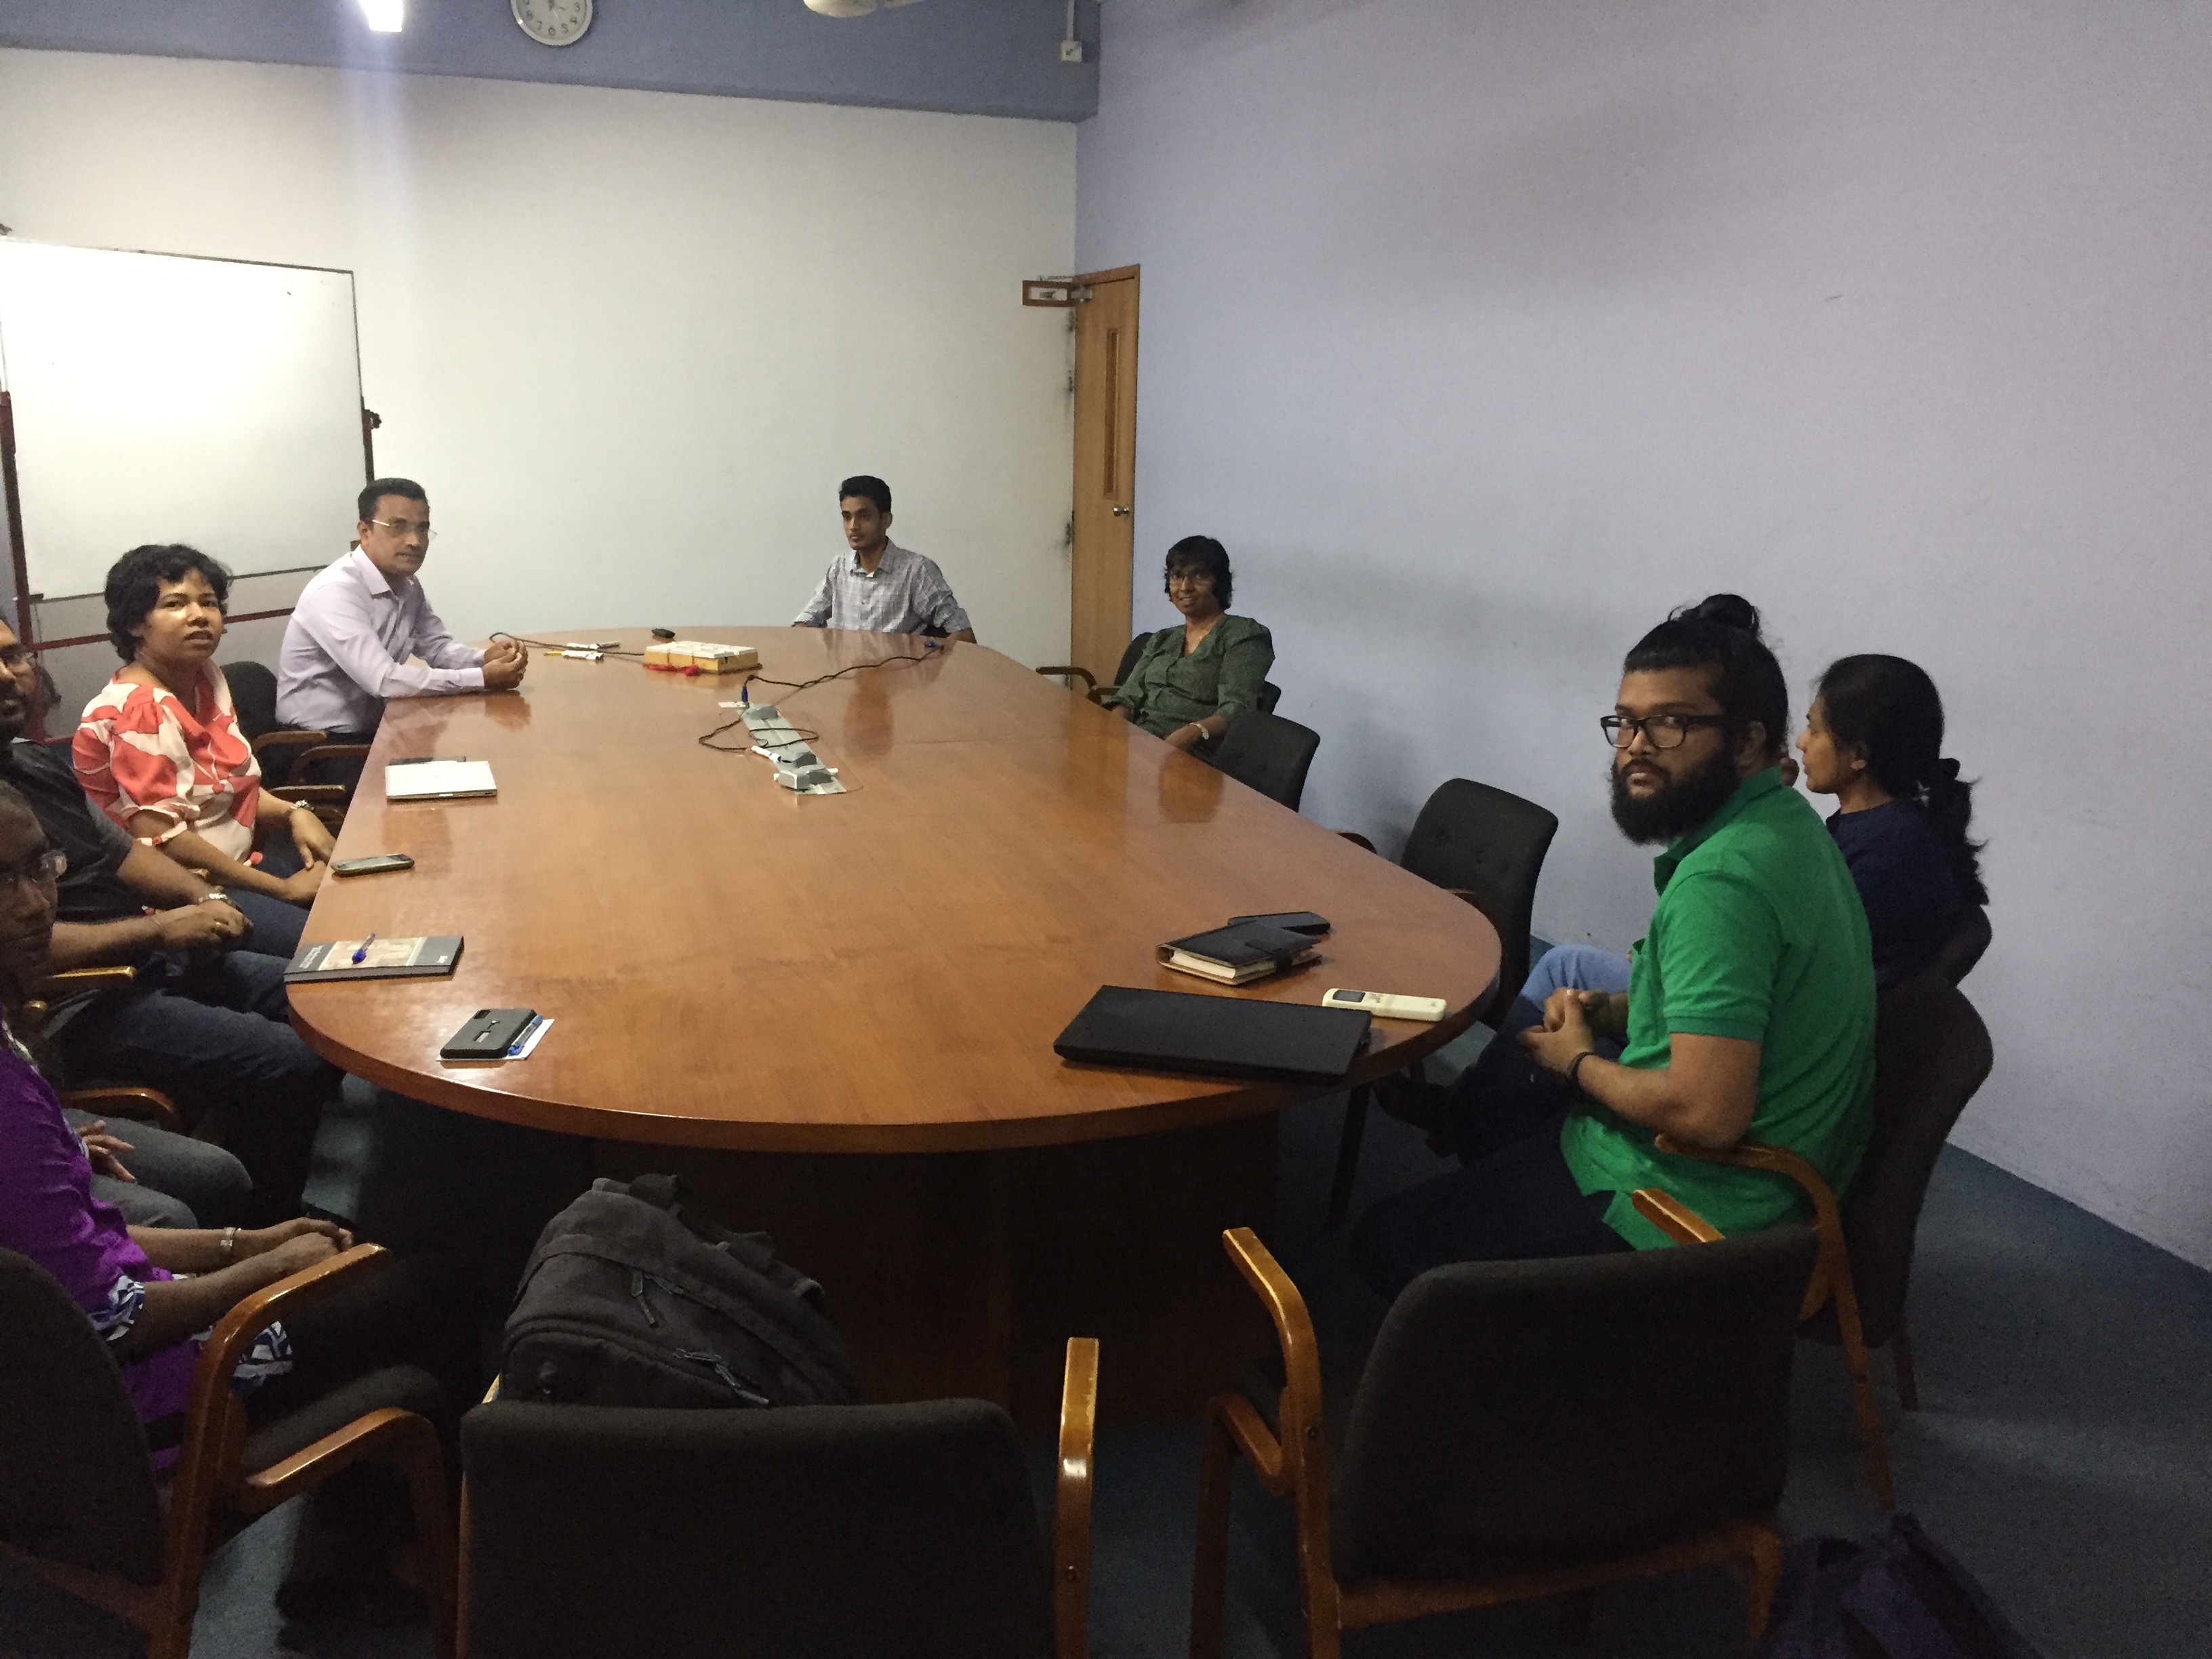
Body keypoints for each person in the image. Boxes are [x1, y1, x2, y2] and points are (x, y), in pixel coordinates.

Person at [0, 785, 466, 1619]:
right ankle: (362, 1572)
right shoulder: (10, 1105)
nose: (37, 904)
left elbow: (76, 1246)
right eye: (2, 882)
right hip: (143, 1411)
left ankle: (348, 1542)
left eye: (40, 869)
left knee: (359, 1261)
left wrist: (246, 1245)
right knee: (431, 1289)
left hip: (88, 1378)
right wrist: (263, 1274)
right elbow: (114, 1318)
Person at [1352, 595, 1876, 1298]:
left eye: (1671, 723)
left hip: (1689, 1211)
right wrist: (1608, 1011)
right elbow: (1744, 1011)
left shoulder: (1724, 883)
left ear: (1749, 742)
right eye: (1626, 722)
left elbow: (1707, 1115)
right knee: (1509, 1128)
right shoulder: (1785, 826)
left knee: (1379, 1245)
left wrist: (1577, 1062)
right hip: (1749, 1185)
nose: (1635, 746)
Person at [0, 649, 342, 1225]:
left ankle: (266, 1184)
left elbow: (125, 853)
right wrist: (159, 928)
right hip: (77, 1002)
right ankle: (270, 1221)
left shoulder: (34, 762)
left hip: (148, 956)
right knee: (292, 1059)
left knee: (322, 990)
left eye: (12, 656)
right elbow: (20, 947)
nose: (7, 675)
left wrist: (204, 900)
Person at [73, 544, 335, 960]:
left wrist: (294, 812)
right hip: (182, 900)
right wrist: (283, 890)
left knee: (359, 904)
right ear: (135, 623)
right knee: (335, 949)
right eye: (175, 604)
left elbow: (226, 786)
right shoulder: (139, 710)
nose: (199, 615)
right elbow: (163, 840)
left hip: (238, 868)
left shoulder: (204, 678)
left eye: (209, 602)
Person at [276, 477, 527, 745]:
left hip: (376, 730)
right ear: (365, 531)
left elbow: (437, 648)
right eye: (398, 527)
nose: (415, 541)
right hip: (318, 744)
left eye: (422, 529)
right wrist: (482, 678)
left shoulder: (407, 584)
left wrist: (483, 659)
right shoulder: (336, 591)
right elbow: (384, 680)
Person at [1798, 655, 1985, 988]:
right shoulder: (1876, 827)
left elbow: (1805, 956)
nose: (1801, 742)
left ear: (1858, 754)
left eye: (1814, 729)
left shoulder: (1889, 847)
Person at [1100, 536, 1274, 756]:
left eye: (1199, 576)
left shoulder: (1243, 635)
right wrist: (1114, 733)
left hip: (1193, 754)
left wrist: (1193, 732)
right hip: (1140, 746)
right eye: (1177, 576)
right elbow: (1128, 697)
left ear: (1219, 582)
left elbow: (1238, 708)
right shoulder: (1162, 639)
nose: (1185, 587)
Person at [792, 475, 977, 641]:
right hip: (845, 667)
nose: (853, 526)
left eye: (864, 516)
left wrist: (929, 663)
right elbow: (806, 620)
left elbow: (963, 635)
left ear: (886, 520)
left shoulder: (916, 570)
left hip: (899, 668)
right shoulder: (840, 566)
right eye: (847, 517)